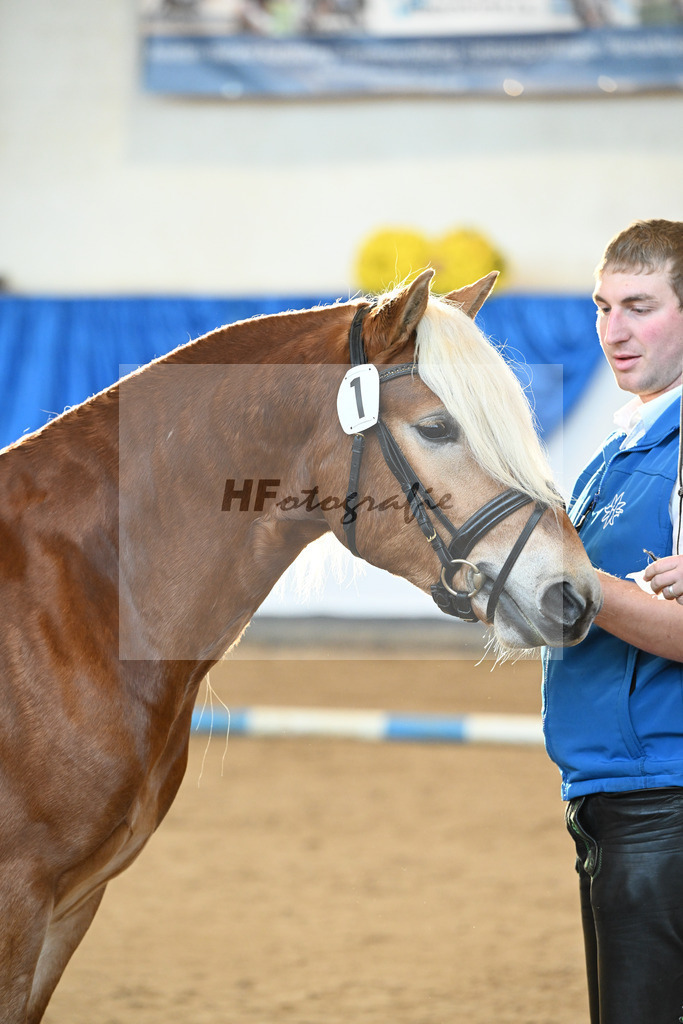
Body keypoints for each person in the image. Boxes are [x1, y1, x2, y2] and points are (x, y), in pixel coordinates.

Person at [542, 218, 683, 1024]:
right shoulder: (618, 451)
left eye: (639, 305)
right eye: (601, 307)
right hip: (608, 795)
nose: (612, 331)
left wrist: (564, 578)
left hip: (664, 797)